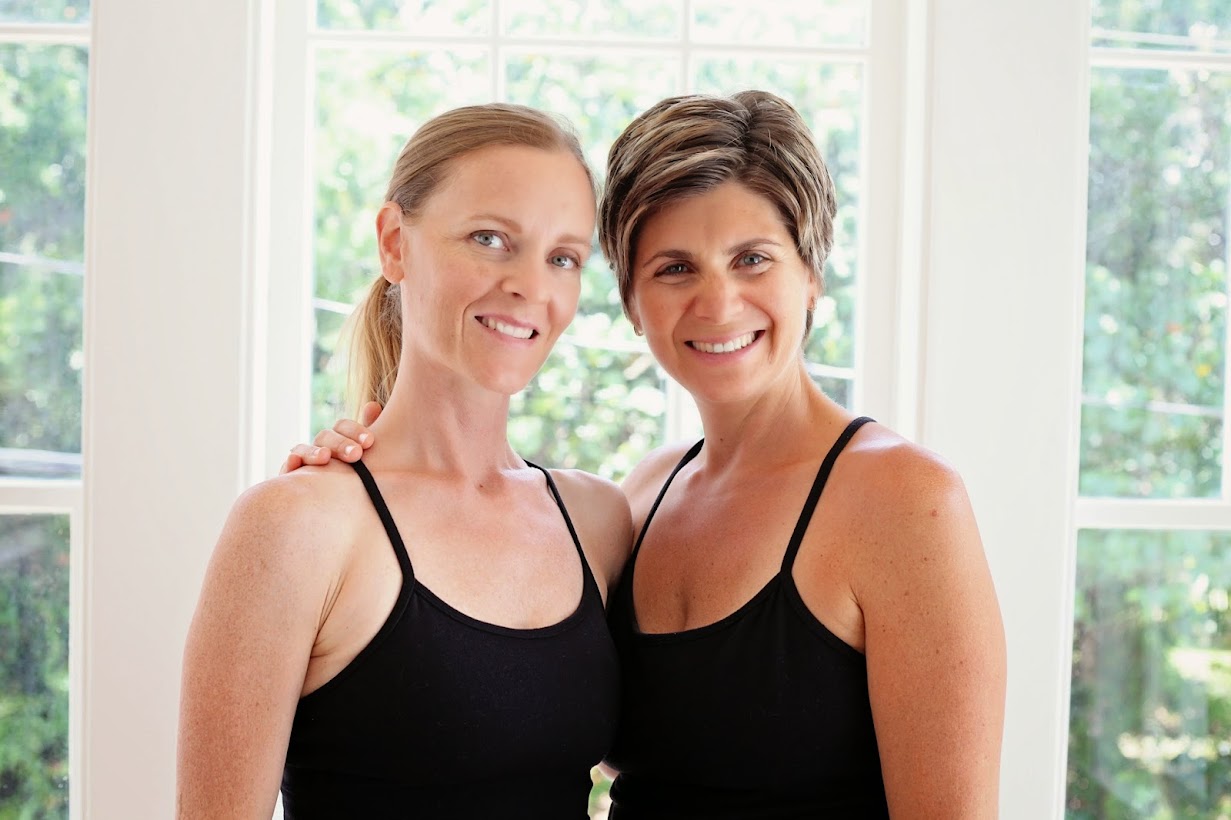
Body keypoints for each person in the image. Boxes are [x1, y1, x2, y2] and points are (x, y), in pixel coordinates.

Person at [288, 90, 1007, 818]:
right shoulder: (637, 502)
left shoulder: (905, 501)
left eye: (752, 259)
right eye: (673, 268)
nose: (718, 303)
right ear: (631, 302)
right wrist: (344, 494)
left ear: (811, 275)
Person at [177, 102, 632, 820]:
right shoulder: (298, 527)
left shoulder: (599, 522)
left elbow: (678, 764)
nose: (530, 286)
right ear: (395, 243)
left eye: (563, 257)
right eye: (489, 238)